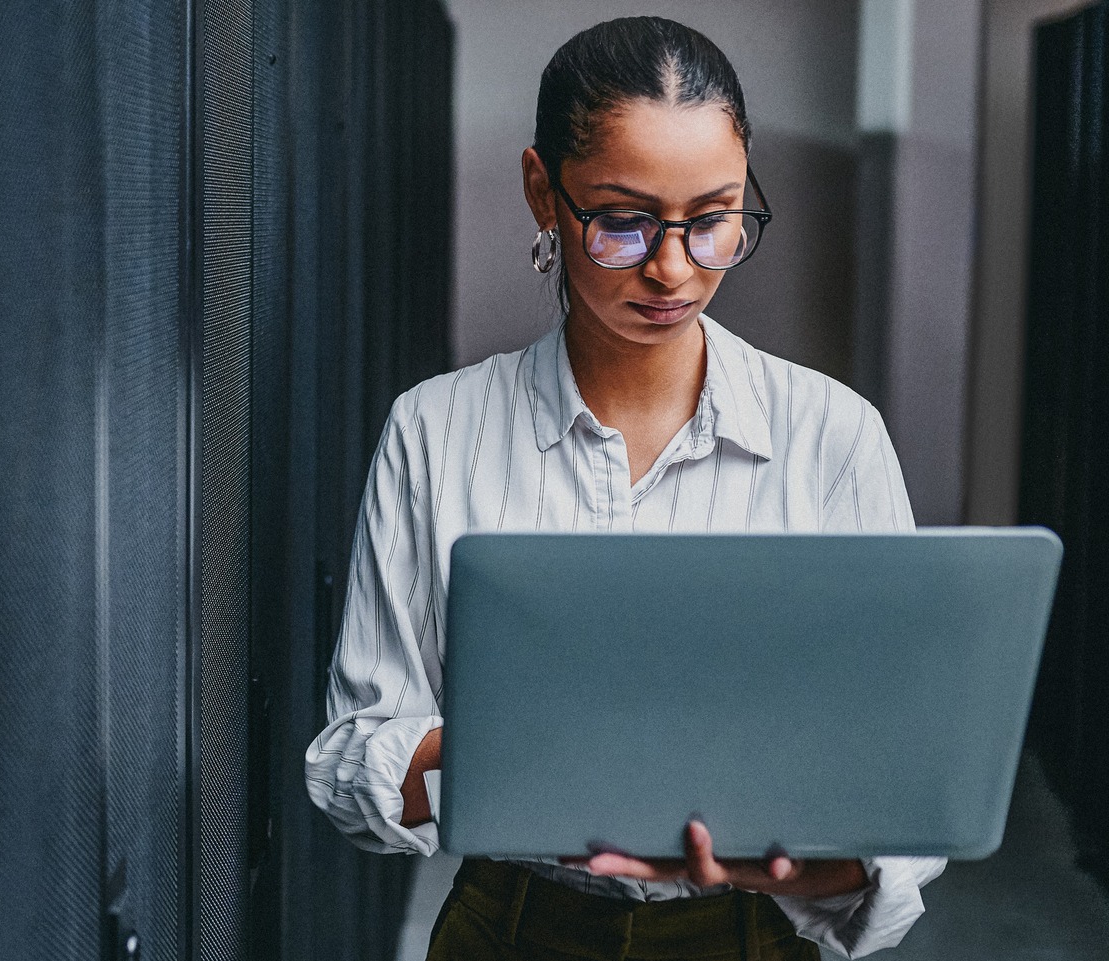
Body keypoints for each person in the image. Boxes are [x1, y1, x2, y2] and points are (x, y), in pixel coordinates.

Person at [303, 16, 949, 961]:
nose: (673, 266)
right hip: (513, 926)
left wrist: (794, 868)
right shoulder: (437, 431)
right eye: (623, 221)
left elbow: (903, 784)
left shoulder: (832, 437)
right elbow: (354, 755)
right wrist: (511, 752)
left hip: (748, 932)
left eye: (714, 217)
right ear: (542, 193)